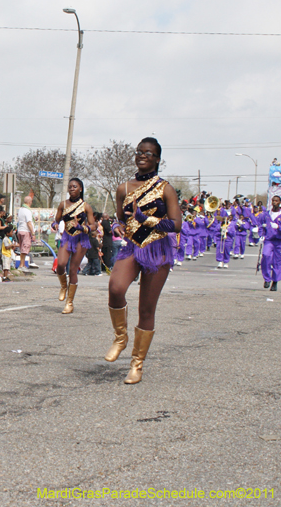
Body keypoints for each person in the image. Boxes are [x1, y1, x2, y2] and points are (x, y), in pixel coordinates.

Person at [105, 137, 182, 384]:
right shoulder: (123, 188)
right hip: (132, 246)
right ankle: (120, 337)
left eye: (148, 153)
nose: (142, 155)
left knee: (146, 309)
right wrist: (117, 227)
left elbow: (176, 224)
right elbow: (119, 219)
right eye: (139, 152)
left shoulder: (165, 188)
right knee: (115, 288)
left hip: (158, 249)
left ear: (157, 159)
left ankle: (136, 365)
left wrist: (143, 217)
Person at [53, 181, 95, 314]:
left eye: (74, 187)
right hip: (67, 237)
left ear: (80, 189)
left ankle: (69, 303)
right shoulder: (63, 204)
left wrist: (82, 227)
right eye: (70, 187)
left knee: (73, 270)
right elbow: (57, 220)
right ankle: (63, 286)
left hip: (81, 239)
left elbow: (93, 226)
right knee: (60, 264)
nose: (72, 189)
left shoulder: (86, 206)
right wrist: (54, 224)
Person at [259, 195, 281, 291]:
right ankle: (267, 278)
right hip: (269, 240)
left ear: (279, 202)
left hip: (280, 241)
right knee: (265, 255)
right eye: (273, 200)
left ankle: (275, 281)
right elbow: (261, 225)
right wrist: (261, 234)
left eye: (276, 201)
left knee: (277, 262)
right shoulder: (267, 214)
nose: (274, 202)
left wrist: (278, 227)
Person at [16, 196, 36, 272]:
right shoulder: (27, 211)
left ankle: (23, 264)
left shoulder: (21, 210)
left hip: (20, 230)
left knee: (22, 248)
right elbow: (29, 223)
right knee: (25, 248)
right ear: (30, 202)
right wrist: (33, 233)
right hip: (26, 230)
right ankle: (21, 265)